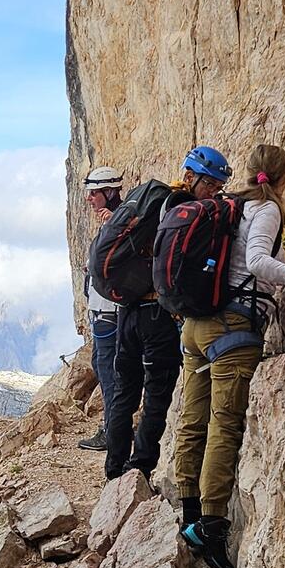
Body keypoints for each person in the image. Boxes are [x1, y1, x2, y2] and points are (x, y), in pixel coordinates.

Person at [175, 141, 285, 568]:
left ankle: (188, 513)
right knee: (225, 424)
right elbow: (258, 262)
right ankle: (212, 526)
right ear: (283, 177)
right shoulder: (268, 208)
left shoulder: (231, 206)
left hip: (195, 326)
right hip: (232, 329)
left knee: (193, 418)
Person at [100, 158, 225, 485]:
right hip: (157, 315)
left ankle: (114, 472)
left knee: (124, 392)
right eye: (209, 184)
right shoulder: (182, 209)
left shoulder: (152, 201)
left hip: (126, 310)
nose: (213, 192)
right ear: (190, 176)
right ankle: (138, 470)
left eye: (217, 187)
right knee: (156, 392)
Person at [79, 165, 123, 453]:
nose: (89, 199)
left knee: (108, 370)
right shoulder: (116, 220)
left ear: (109, 192)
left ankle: (112, 430)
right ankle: (114, 426)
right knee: (103, 366)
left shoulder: (117, 222)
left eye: (94, 193)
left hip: (109, 311)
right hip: (104, 310)